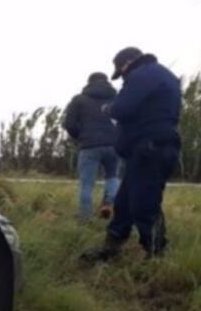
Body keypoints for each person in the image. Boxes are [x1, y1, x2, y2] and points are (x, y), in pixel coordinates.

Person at [82, 47, 182, 262]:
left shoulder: (143, 74)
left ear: (128, 63)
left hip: (150, 149)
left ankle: (157, 256)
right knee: (125, 203)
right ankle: (111, 248)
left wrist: (109, 108)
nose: (123, 77)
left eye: (121, 72)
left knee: (144, 204)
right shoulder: (162, 75)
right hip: (152, 149)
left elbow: (122, 108)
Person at [63, 72, 120, 221]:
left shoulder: (79, 100)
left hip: (89, 146)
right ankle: (108, 204)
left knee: (86, 184)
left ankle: (85, 218)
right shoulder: (117, 98)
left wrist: (80, 136)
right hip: (114, 145)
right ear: (107, 82)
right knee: (113, 177)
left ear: (89, 82)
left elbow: (69, 124)